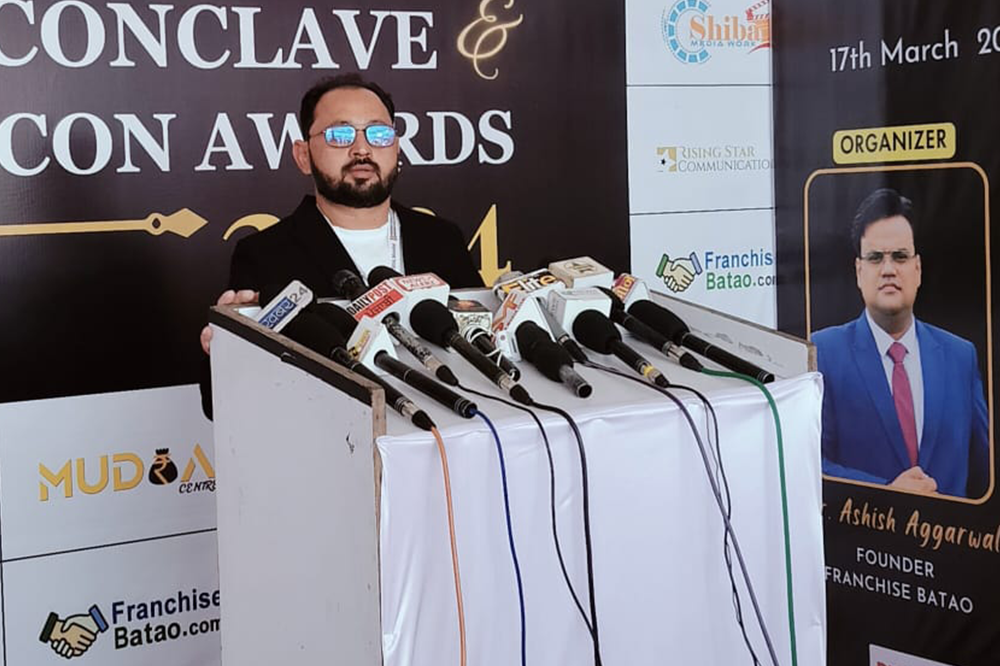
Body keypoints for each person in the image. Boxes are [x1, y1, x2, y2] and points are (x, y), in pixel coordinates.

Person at [199, 74, 481, 415]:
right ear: (303, 155)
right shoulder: (264, 253)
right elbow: (223, 404)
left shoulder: (441, 238)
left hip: (452, 424)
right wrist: (226, 351)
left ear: (396, 148)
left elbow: (483, 345)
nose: (362, 149)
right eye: (340, 135)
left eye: (378, 134)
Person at [813, 188, 989, 498]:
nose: (889, 269)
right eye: (875, 258)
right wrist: (887, 493)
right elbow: (811, 465)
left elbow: (985, 474)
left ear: (917, 269)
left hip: (948, 531)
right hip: (863, 529)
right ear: (859, 271)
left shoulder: (961, 357)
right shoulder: (824, 352)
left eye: (900, 256)